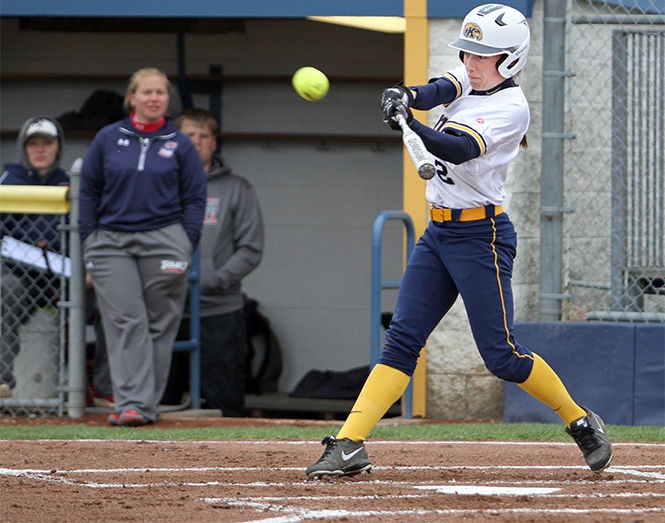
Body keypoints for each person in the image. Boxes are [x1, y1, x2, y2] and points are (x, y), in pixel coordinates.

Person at [306, 4, 613, 478]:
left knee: (502, 357)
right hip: (439, 232)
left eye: (482, 54)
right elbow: (440, 88)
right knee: (402, 341)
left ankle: (579, 421)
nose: (470, 60)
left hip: (481, 236)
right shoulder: (472, 75)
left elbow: (459, 147)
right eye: (468, 51)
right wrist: (405, 96)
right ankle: (349, 444)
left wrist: (412, 126)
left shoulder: (512, 107)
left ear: (509, 60)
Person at [79, 67, 207, 426]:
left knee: (160, 325)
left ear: (168, 99)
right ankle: (132, 403)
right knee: (126, 321)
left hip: (165, 239)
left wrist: (186, 241)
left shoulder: (180, 143)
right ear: (131, 97)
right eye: (147, 92)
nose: (154, 98)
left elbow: (195, 198)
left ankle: (142, 406)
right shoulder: (107, 138)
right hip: (111, 243)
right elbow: (88, 192)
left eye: (161, 93)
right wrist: (90, 240)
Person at [169, 107, 264, 416]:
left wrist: (214, 281)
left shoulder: (238, 189)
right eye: (189, 135)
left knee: (224, 404)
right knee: (163, 404)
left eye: (204, 136)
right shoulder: (159, 186)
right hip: (166, 310)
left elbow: (250, 249)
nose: (196, 142)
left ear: (214, 143)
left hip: (219, 311)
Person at [0, 116, 70, 398]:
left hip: (63, 275)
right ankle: (2, 380)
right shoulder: (8, 180)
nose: (40, 150)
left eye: (47, 143)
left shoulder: (69, 183)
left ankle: (100, 390)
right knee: (5, 289)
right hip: (20, 274)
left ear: (58, 147)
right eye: (33, 144)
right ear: (24, 148)